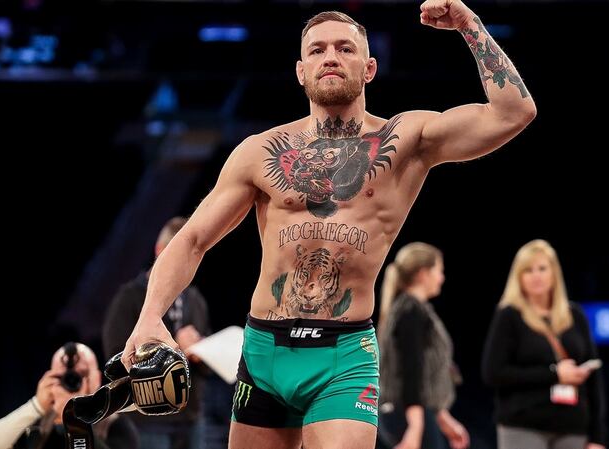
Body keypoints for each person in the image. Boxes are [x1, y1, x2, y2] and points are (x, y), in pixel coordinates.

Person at [122, 0, 536, 447]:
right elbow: (193, 239)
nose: (331, 57)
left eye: (344, 48)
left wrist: (469, 26)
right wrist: (148, 319)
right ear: (301, 71)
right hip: (265, 351)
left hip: (344, 355)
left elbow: (514, 113)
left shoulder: (406, 140)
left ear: (369, 67)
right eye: (317, 50)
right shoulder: (261, 151)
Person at [103, 216, 215, 449]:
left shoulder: (195, 299)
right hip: (148, 419)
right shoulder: (130, 297)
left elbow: (206, 358)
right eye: (177, 255)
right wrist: (175, 349)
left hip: (191, 416)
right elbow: (116, 358)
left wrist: (200, 351)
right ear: (159, 250)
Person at [481, 239, 606, 449]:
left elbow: (595, 382)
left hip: (573, 426)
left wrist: (597, 437)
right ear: (518, 277)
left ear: (554, 273)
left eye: (542, 268)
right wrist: (554, 374)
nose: (536, 275)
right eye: (528, 270)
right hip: (523, 425)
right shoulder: (509, 316)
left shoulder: (575, 315)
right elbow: (493, 373)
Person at [377, 242, 469, 449]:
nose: (442, 278)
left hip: (409, 411)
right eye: (439, 270)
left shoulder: (413, 310)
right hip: (406, 413)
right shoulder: (410, 312)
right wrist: (416, 426)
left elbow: (425, 375)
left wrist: (442, 418)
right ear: (422, 274)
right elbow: (412, 371)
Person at [0, 343, 138, 449]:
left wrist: (75, 417)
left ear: (95, 378)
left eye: (80, 375)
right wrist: (36, 406)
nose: (71, 382)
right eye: (63, 376)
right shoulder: (38, 424)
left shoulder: (114, 424)